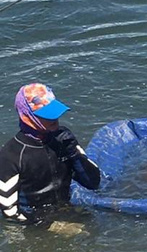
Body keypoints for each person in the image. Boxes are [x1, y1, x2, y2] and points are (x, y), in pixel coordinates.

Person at [0, 83, 101, 224]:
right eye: (46, 115)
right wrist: (52, 226)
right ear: (28, 116)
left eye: (54, 112)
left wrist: (74, 153)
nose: (54, 119)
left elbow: (93, 183)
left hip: (66, 210)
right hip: (33, 223)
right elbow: (9, 212)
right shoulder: (13, 154)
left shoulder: (63, 139)